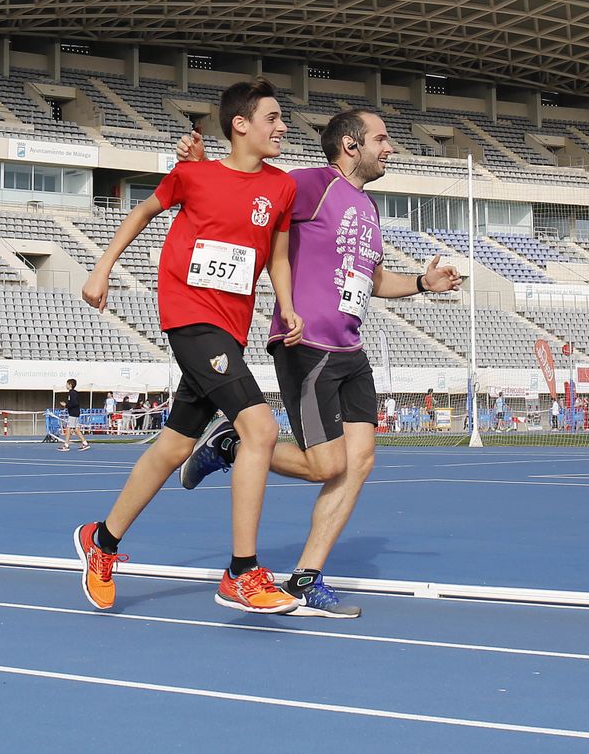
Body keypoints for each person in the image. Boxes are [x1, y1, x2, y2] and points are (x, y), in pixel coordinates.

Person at [176, 107, 462, 617]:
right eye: (381, 139)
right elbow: (250, 197)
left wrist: (422, 283)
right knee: (326, 465)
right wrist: (201, 170)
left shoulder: (368, 209)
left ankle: (307, 578)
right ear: (351, 145)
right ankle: (234, 443)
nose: (389, 148)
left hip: (351, 349)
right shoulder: (311, 184)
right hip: (306, 345)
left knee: (361, 461)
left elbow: (373, 282)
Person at [75, 77, 302, 615]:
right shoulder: (192, 175)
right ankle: (242, 573)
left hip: (231, 327)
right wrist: (102, 270)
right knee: (260, 428)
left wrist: (287, 305)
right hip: (190, 317)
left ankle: (100, 543)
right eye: (272, 118)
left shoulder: (282, 187)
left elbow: (278, 256)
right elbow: (141, 213)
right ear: (240, 125)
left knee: (175, 445)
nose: (282, 127)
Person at [59, 379, 90, 452]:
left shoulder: (72, 393)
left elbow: (74, 403)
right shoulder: (73, 393)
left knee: (68, 428)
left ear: (70, 385)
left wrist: (66, 405)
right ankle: (85, 443)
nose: (65, 385)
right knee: (76, 429)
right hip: (75, 413)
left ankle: (66, 445)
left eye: (66, 384)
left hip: (73, 413)